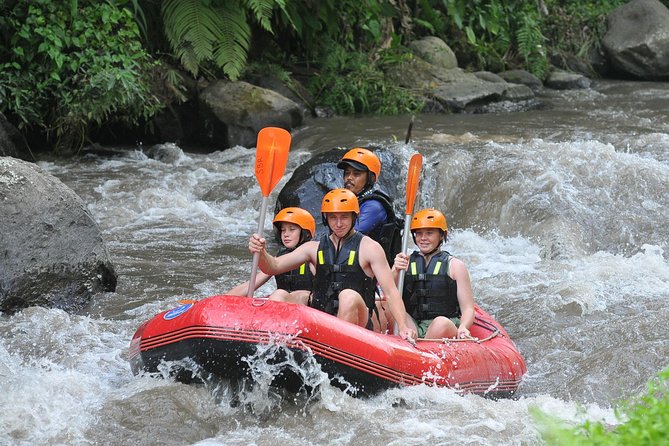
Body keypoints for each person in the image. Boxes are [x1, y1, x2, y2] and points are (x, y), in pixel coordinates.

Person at [247, 188, 416, 340]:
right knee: (279, 295)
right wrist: (261, 252)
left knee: (347, 296)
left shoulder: (370, 248)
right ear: (326, 219)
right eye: (333, 217)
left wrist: (403, 326)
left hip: (359, 320)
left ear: (354, 216)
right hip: (321, 318)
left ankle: (338, 349)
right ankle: (277, 347)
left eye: (344, 217)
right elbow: (273, 266)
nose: (339, 223)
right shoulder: (313, 248)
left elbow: (391, 292)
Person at [337, 147, 402, 332]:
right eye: (347, 173)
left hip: (373, 277)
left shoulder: (374, 206)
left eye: (356, 174)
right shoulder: (349, 203)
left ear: (370, 178)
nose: (349, 178)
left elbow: (345, 236)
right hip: (352, 272)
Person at [391, 208, 475, 339]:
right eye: (419, 234)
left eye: (429, 233)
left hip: (444, 325)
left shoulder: (455, 265)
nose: (423, 238)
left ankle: (421, 349)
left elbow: (468, 308)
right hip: (414, 325)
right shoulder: (404, 262)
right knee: (388, 308)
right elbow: (390, 294)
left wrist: (464, 327)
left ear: (442, 235)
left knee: (440, 323)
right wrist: (395, 270)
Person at [226, 207, 315, 304]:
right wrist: (223, 299)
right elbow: (251, 284)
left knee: (283, 294)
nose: (286, 234)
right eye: (283, 230)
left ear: (305, 233)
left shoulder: (313, 258)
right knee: (278, 294)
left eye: (291, 229)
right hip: (283, 303)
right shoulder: (278, 260)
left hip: (307, 309)